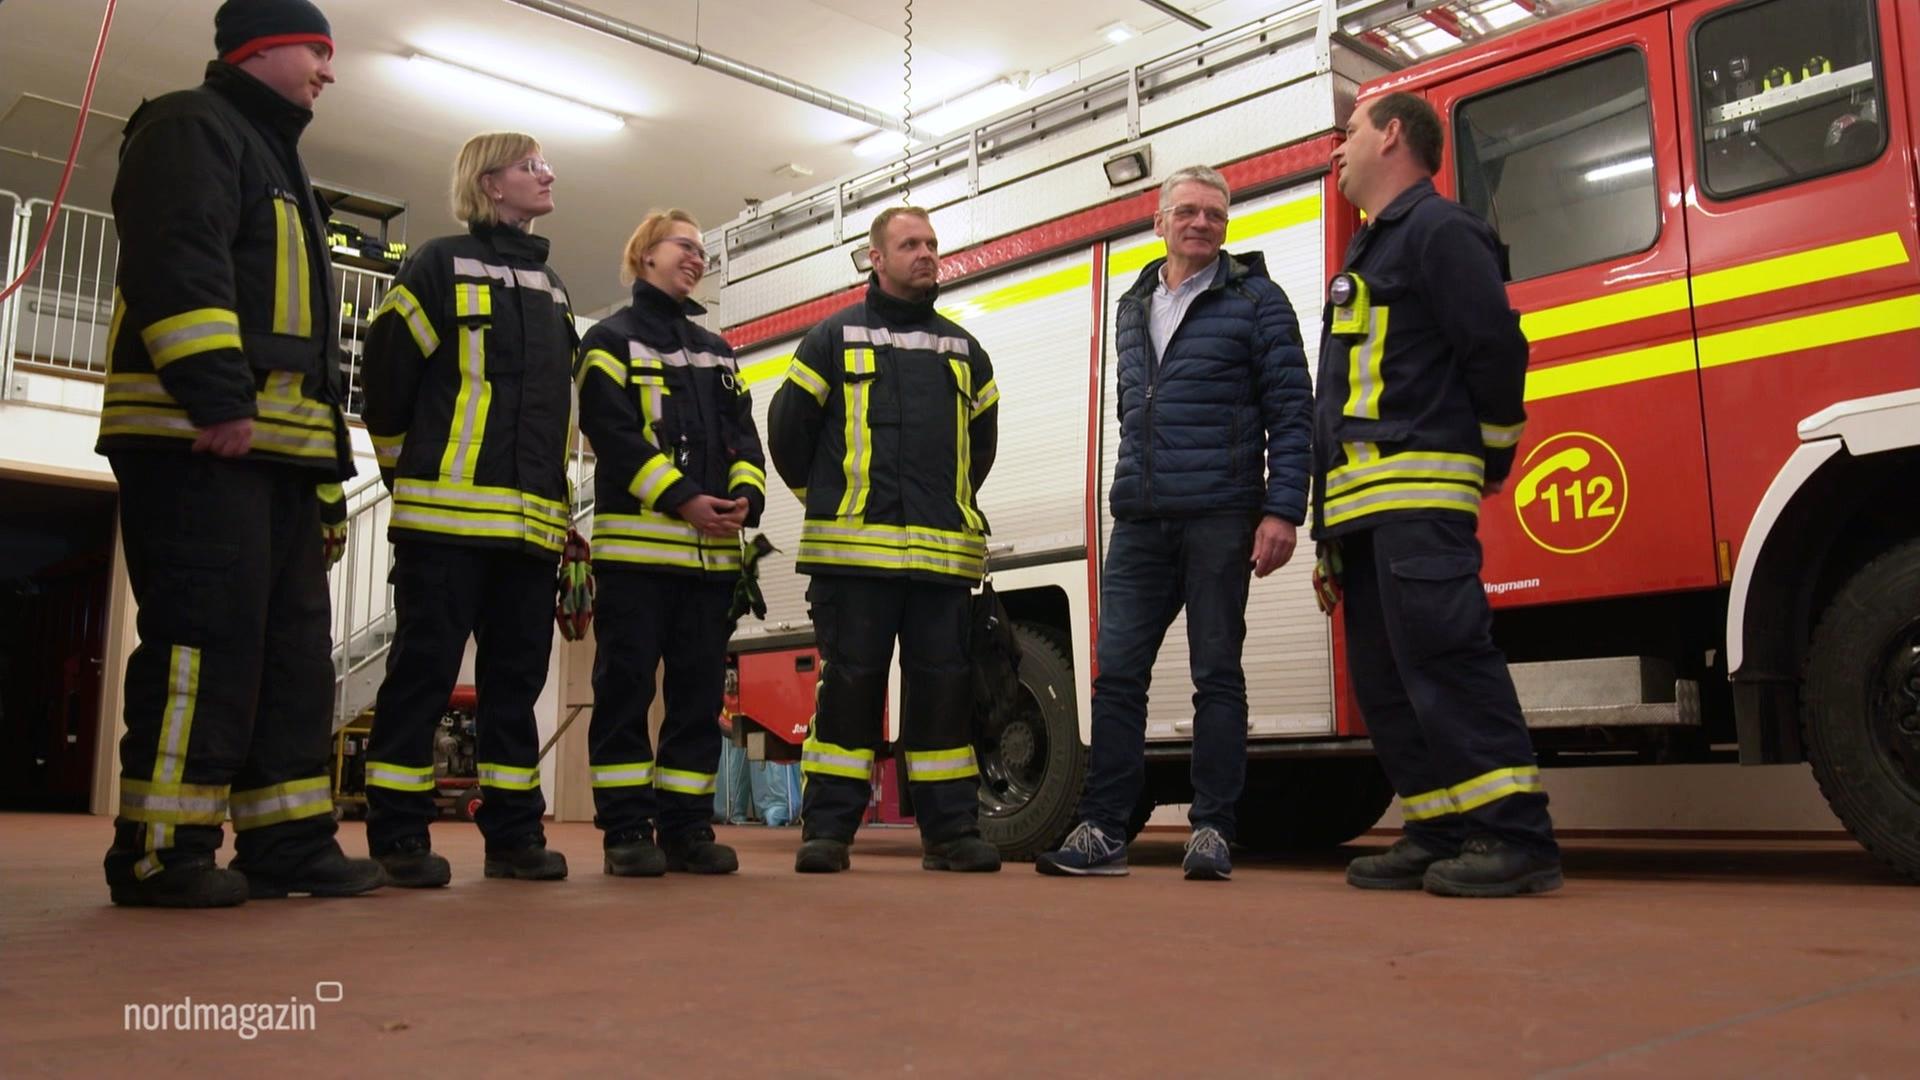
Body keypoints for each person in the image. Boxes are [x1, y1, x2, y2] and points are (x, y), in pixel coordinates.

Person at [95, 0, 384, 906]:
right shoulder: (189, 127)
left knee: (292, 652)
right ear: (261, 48)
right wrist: (215, 394)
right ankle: (160, 851)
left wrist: (323, 468)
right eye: (316, 51)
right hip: (199, 440)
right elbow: (177, 258)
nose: (327, 72)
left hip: (275, 455)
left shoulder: (276, 155)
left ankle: (287, 841)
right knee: (203, 643)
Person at [1314, 91, 1561, 897]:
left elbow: (1494, 348)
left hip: (1419, 492)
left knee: (1448, 663)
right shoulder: (1370, 249)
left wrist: (1491, 456)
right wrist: (1328, 532)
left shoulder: (1440, 231)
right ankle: (1439, 827)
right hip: (1365, 511)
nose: (1336, 150)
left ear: (1392, 136)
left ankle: (1516, 838)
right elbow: (1341, 398)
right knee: (1386, 681)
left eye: (1347, 134)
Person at [1036, 165, 1312, 882]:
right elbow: (1136, 410)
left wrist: (1283, 508)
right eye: (1187, 212)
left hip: (1221, 514)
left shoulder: (1257, 300)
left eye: (1214, 215)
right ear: (1158, 222)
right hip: (1141, 519)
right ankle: (1102, 829)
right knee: (1117, 674)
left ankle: (1213, 830)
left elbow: (1292, 411)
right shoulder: (1133, 304)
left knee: (1216, 673)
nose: (1201, 224)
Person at [358, 132, 578, 885]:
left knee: (516, 687)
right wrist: (405, 477)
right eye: (528, 166)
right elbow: (384, 386)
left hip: (531, 530)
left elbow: (556, 415)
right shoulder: (435, 264)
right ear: (489, 185)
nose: (545, 174)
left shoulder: (554, 289)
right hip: (445, 523)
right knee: (422, 677)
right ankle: (397, 837)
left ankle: (514, 837)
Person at [768, 206, 1002, 874]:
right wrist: (831, 503)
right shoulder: (829, 339)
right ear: (876, 258)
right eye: (909, 244)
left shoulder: (965, 350)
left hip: (940, 565)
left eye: (931, 243)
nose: (926, 253)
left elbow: (977, 451)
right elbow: (789, 436)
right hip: (852, 562)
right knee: (848, 694)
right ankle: (830, 833)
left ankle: (951, 834)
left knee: (943, 699)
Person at [576, 209, 765, 877]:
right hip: (636, 556)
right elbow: (616, 437)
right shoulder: (607, 340)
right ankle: (626, 829)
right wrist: (684, 498)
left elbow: (744, 435)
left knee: (696, 698)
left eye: (701, 249)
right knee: (625, 691)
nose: (697, 257)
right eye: (684, 245)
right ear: (644, 254)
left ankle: (687, 828)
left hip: (712, 561)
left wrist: (748, 497)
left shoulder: (717, 349)